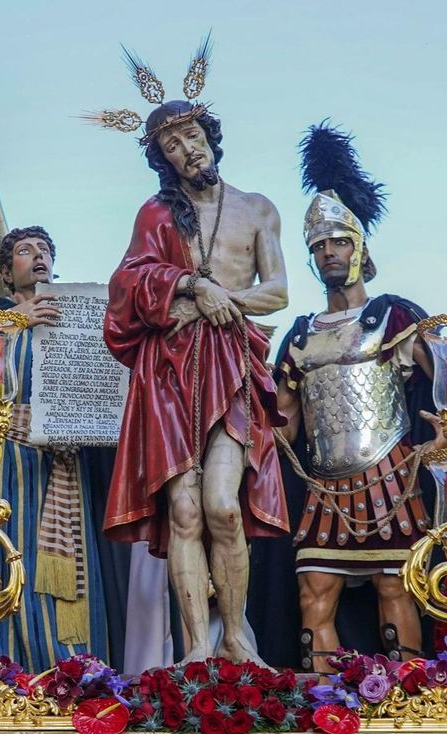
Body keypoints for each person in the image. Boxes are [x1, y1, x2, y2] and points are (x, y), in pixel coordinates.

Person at [97, 49, 290, 665]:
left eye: (193, 135)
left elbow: (279, 291)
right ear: (164, 160)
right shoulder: (156, 213)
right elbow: (128, 280)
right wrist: (187, 285)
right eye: (174, 144)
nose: (189, 149)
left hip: (229, 360)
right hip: (170, 371)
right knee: (183, 508)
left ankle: (234, 637)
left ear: (211, 137)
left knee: (220, 505)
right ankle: (193, 652)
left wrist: (217, 296)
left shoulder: (257, 208)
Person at [272, 123, 445, 671]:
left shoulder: (392, 315)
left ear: (360, 246)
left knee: (397, 588)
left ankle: (406, 698)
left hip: (390, 474)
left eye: (338, 241)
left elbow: (444, 383)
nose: (328, 252)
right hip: (324, 485)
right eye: (318, 246)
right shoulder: (299, 334)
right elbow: (284, 422)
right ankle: (323, 704)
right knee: (311, 595)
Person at [0, 226, 134, 671]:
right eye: (25, 252)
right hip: (5, 466)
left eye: (45, 250)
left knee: (77, 576)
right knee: (8, 564)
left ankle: (75, 677)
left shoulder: (78, 317)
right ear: (8, 275)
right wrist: (13, 325)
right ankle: (7, 674)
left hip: (66, 467)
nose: (39, 256)